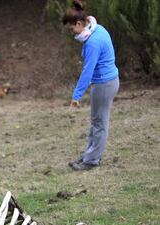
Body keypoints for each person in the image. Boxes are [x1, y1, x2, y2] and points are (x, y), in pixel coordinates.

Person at [63, 0, 119, 171]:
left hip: (103, 84)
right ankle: (89, 155)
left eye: (72, 29)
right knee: (96, 122)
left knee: (100, 123)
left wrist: (76, 96)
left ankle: (91, 161)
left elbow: (87, 72)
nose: (72, 34)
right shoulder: (98, 28)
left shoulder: (92, 42)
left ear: (79, 24)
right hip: (109, 81)